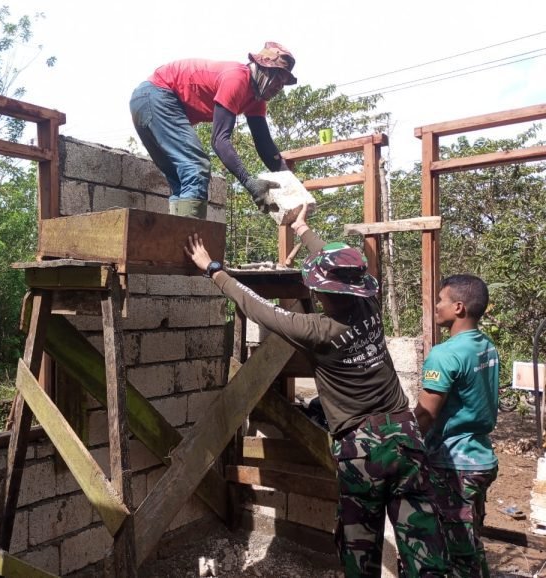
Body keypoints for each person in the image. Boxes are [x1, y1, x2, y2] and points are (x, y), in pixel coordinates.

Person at [184, 204, 447, 578]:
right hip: (406, 435)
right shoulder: (369, 304)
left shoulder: (317, 331)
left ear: (322, 291)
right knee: (423, 547)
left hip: (362, 447)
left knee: (360, 549)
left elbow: (257, 308)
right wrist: (303, 229)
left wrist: (213, 269)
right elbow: (338, 266)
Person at [130, 42, 297, 219]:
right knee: (195, 167)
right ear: (264, 68)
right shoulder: (237, 78)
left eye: (284, 83)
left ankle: (178, 234)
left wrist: (293, 185)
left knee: (183, 180)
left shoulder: (256, 100)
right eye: (279, 78)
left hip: (146, 101)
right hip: (156, 94)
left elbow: (265, 145)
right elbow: (219, 140)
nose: (280, 87)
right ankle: (191, 235)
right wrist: (249, 181)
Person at [415, 275, 499, 578]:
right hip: (481, 459)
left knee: (457, 553)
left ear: (459, 307)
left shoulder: (445, 354)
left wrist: (399, 440)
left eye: (441, 300)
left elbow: (425, 415)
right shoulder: (485, 346)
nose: (436, 306)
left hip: (454, 465)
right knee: (470, 542)